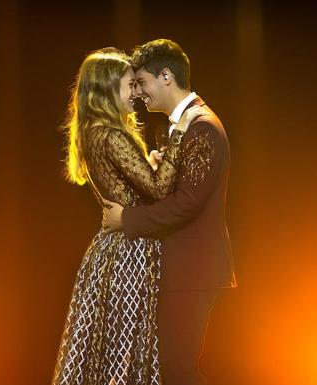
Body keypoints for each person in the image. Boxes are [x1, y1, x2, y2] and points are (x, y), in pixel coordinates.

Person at [52, 47, 204, 385]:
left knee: (107, 354)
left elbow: (136, 184)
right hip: (129, 254)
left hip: (110, 253)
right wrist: (179, 134)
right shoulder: (113, 135)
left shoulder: (93, 132)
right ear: (108, 90)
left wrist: (150, 162)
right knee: (127, 354)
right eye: (129, 85)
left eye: (137, 85)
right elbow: (160, 189)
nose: (136, 93)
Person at [102, 39, 237, 385]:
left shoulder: (202, 126)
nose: (138, 94)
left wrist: (126, 219)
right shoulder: (185, 125)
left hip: (193, 269)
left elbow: (189, 203)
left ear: (166, 76)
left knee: (177, 371)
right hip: (185, 269)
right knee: (171, 370)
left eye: (141, 83)